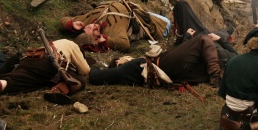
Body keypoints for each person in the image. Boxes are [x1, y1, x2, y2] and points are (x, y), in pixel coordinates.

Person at [0, 38, 91, 105]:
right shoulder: (72, 45)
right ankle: (58, 91)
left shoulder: (59, 41)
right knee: (79, 80)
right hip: (49, 63)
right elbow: (85, 70)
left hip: (30, 60)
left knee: (10, 82)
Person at [89, 35, 222, 89]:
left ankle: (216, 73)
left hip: (171, 69)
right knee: (203, 39)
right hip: (162, 66)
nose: (127, 58)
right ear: (118, 63)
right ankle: (215, 73)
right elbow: (95, 76)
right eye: (119, 60)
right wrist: (93, 66)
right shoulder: (131, 68)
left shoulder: (133, 68)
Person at [60, 0, 169, 52]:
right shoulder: (110, 30)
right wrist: (107, 40)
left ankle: (156, 14)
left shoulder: (85, 21)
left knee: (148, 13)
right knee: (166, 23)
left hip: (126, 4)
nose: (94, 27)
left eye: (89, 28)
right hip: (138, 17)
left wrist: (71, 24)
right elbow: (124, 44)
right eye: (95, 33)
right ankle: (161, 17)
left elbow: (63, 20)